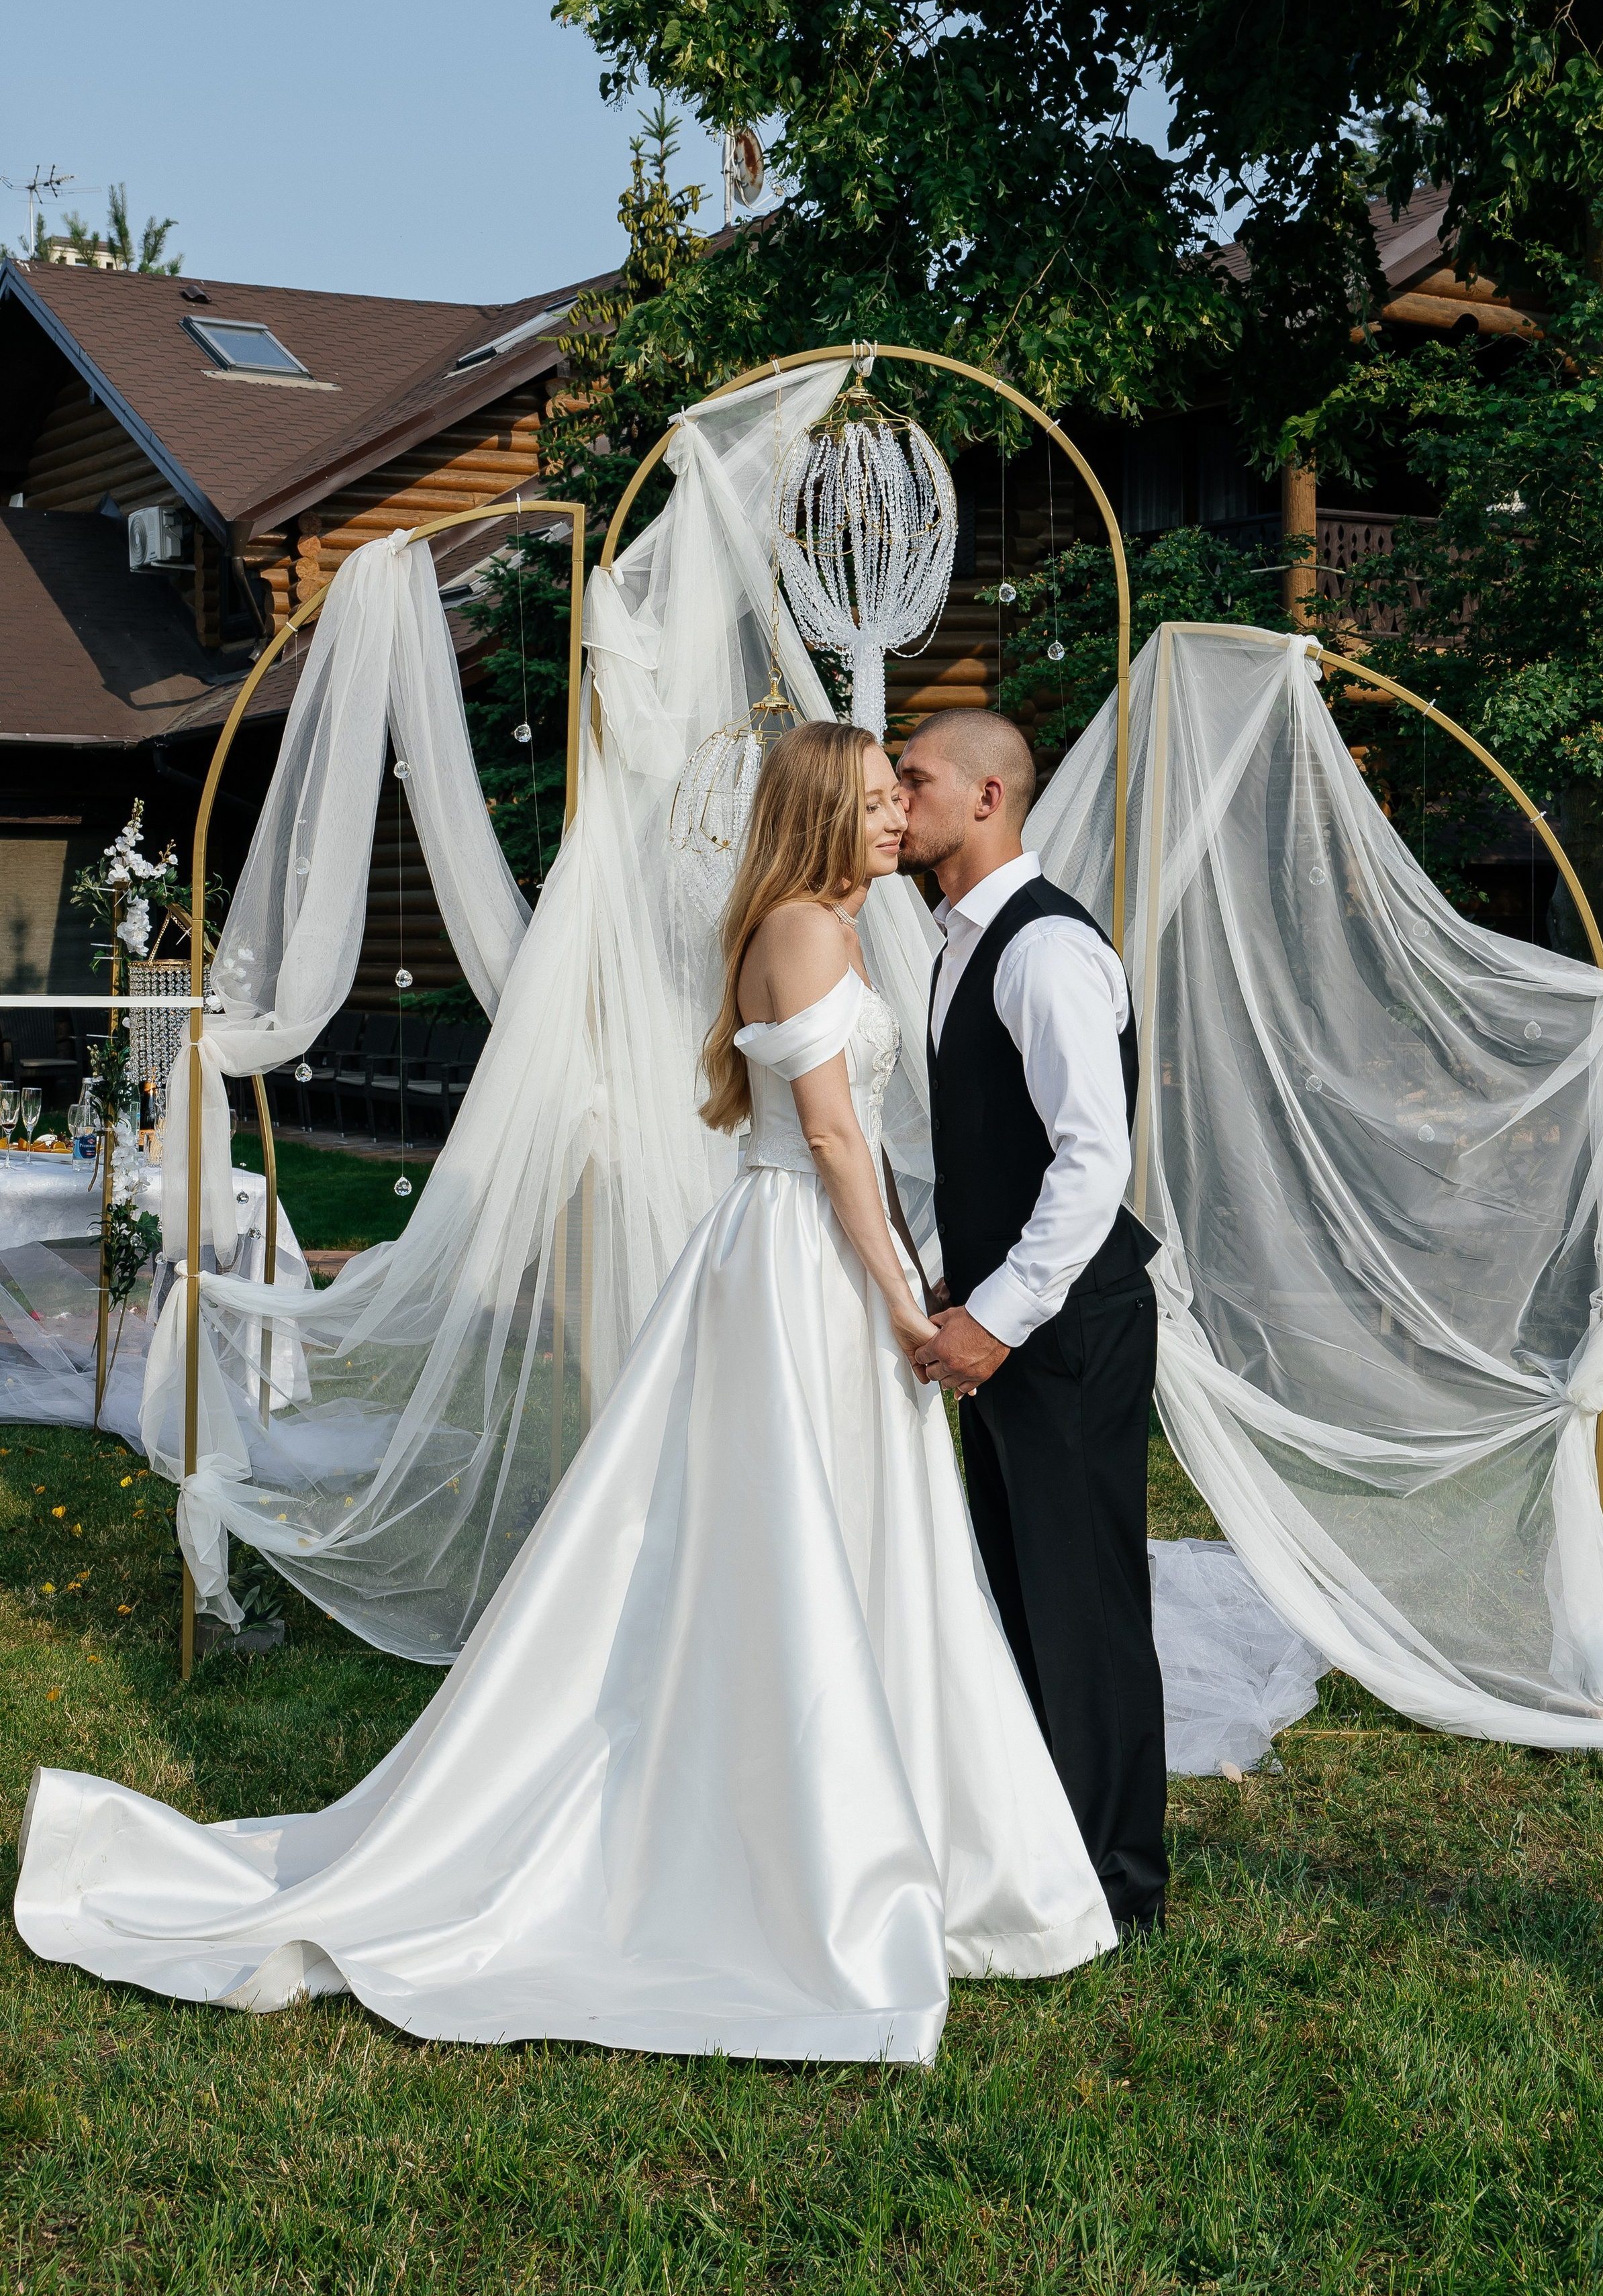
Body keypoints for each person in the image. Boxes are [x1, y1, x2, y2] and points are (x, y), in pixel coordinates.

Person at [14, 723, 1112, 2062]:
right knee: (796, 1523)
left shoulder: (816, 919)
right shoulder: (808, 930)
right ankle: (809, 1843)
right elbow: (830, 1136)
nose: (898, 822)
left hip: (802, 1251)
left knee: (844, 1528)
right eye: (879, 801)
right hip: (799, 1263)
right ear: (828, 809)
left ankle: (878, 1810)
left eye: (902, 799)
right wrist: (902, 1300)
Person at [897, 709, 1169, 1938]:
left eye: (917, 779)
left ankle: (1123, 1882)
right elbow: (992, 1145)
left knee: (1087, 1601)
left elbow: (1090, 1161)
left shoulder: (1044, 946)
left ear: (989, 796)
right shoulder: (955, 939)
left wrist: (996, 1319)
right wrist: (955, 1285)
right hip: (1005, 1315)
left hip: (1067, 1325)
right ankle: (1052, 1843)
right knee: (1019, 1587)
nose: (898, 800)